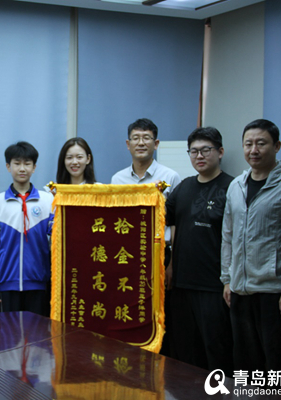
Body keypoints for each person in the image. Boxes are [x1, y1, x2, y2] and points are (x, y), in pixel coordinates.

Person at [221, 119, 281, 377]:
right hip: (239, 292)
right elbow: (228, 236)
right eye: (248, 144)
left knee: (277, 367)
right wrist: (227, 279)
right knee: (245, 367)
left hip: (276, 295)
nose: (254, 150)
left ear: (277, 146)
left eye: (261, 143)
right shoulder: (236, 186)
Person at [165, 127, 234, 375]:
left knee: (216, 350)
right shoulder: (184, 187)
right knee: (184, 351)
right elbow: (163, 219)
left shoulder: (233, 187)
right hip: (181, 284)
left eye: (206, 150)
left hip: (214, 286)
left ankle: (219, 392)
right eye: (193, 151)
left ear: (220, 152)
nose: (199, 156)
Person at [110, 117, 181, 357]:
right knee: (133, 313)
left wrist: (172, 264)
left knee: (161, 317)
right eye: (136, 138)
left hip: (161, 255)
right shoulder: (117, 180)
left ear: (156, 143)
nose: (141, 143)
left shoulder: (171, 177)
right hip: (128, 257)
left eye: (147, 138)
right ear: (128, 144)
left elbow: (177, 224)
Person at [0, 141, 54, 317]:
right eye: (17, 163)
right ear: (8, 166)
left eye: (27, 163)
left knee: (38, 331)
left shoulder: (47, 201)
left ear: (34, 167)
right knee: (10, 331)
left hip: (39, 282)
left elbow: (57, 239)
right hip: (7, 282)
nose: (22, 168)